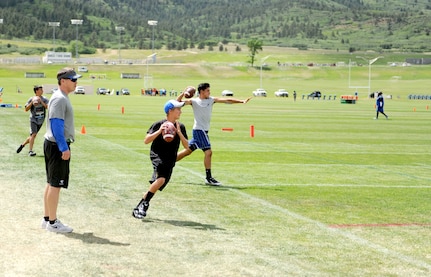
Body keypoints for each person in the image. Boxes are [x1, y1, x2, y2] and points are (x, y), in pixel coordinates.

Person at [176, 82, 252, 186]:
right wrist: (183, 92)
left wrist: (241, 101)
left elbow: (227, 100)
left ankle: (166, 163)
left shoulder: (211, 100)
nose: (209, 92)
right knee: (208, 152)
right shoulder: (193, 101)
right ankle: (209, 178)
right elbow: (177, 102)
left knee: (188, 151)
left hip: (204, 131)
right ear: (202, 91)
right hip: (199, 130)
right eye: (207, 90)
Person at [133, 100, 189, 219]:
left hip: (170, 159)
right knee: (161, 179)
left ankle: (139, 206)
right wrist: (159, 131)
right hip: (158, 156)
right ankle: (145, 204)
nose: (181, 111)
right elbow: (146, 140)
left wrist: (178, 132)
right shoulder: (159, 124)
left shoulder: (181, 126)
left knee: (157, 184)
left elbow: (187, 146)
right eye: (178, 109)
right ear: (170, 111)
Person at [41, 68, 81, 233]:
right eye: (72, 79)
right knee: (55, 184)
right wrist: (64, 147)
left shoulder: (60, 97)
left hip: (52, 143)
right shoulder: (60, 99)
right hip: (57, 145)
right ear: (63, 81)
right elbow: (56, 124)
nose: (75, 82)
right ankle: (52, 222)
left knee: (51, 183)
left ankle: (47, 219)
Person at [16, 85, 49, 156]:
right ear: (36, 91)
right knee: (33, 134)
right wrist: (32, 102)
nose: (42, 90)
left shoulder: (44, 99)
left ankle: (22, 145)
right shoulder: (31, 99)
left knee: (33, 136)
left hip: (41, 120)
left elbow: (47, 107)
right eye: (41, 89)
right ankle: (30, 151)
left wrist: (41, 102)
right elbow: (26, 109)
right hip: (33, 120)